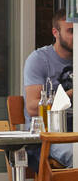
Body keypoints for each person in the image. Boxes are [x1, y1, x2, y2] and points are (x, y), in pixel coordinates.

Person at [24, 9, 74, 167]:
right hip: (46, 136)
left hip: (74, 133)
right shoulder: (39, 59)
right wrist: (70, 95)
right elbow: (32, 107)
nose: (76, 36)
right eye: (71, 31)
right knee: (75, 153)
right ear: (55, 32)